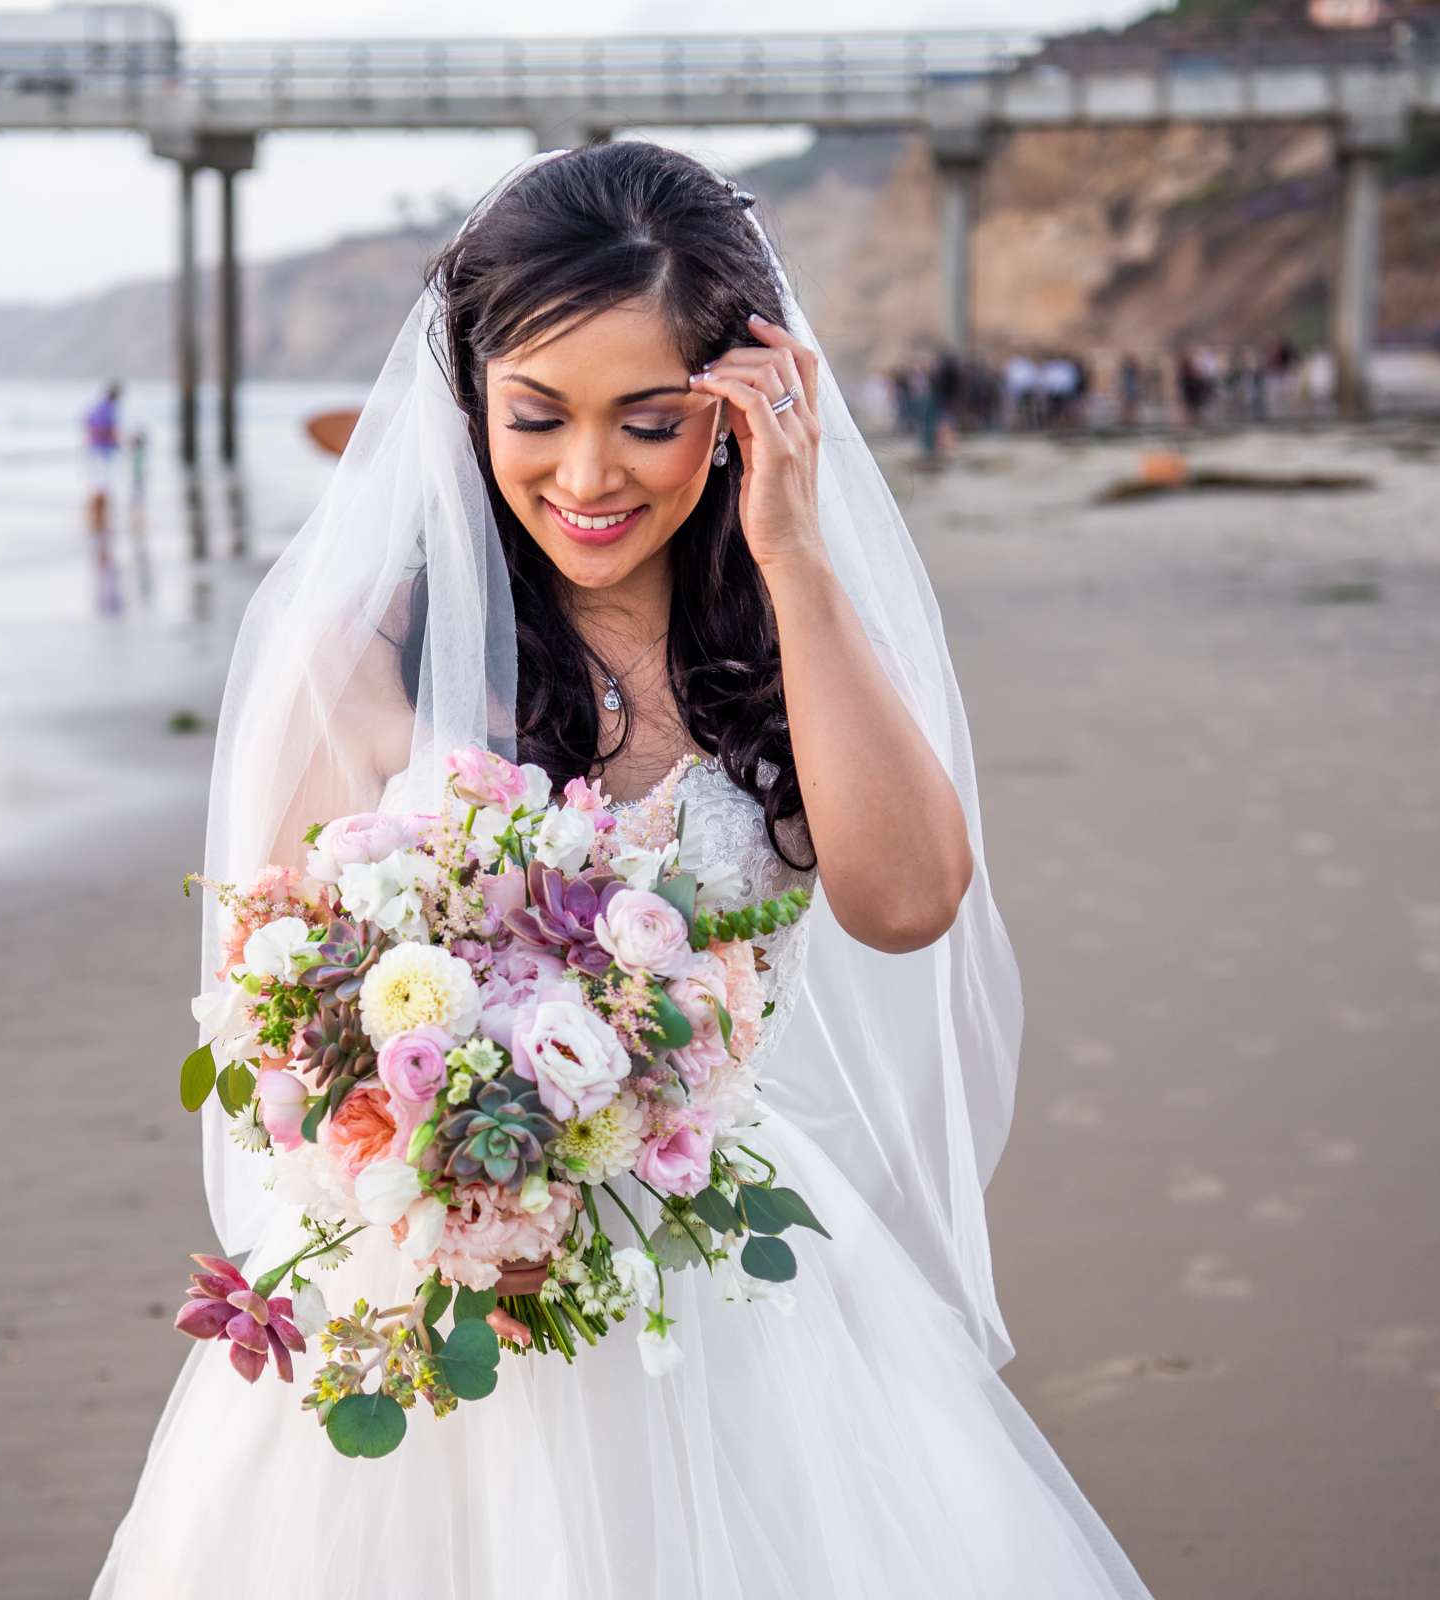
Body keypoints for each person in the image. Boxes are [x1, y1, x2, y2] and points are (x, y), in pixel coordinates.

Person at [90, 143, 1156, 1598]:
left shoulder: (793, 645)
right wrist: (455, 1163)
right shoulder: (365, 662)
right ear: (468, 407)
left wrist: (791, 551)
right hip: (433, 1286)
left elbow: (907, 904)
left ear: (734, 411)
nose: (586, 477)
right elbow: (281, 1021)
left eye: (650, 422)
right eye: (536, 417)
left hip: (732, 1286)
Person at [83, 380, 123, 531]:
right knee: (101, 484)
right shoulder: (108, 409)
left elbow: (87, 422)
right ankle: (98, 517)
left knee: (98, 482)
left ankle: (97, 516)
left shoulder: (99, 407)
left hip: (96, 450)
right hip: (101, 451)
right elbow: (108, 430)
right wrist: (115, 440)